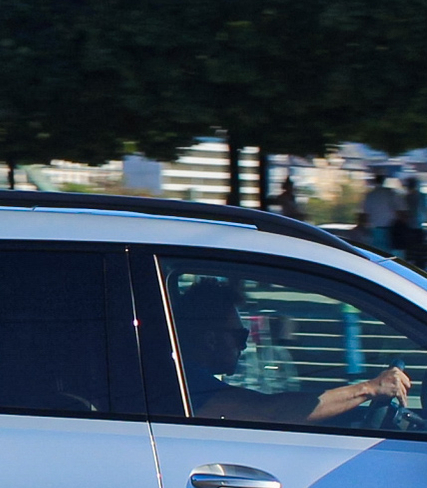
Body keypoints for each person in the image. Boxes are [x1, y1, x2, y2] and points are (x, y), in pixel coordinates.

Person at [173, 280, 411, 425]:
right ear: (211, 340)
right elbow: (270, 411)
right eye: (239, 336)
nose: (244, 346)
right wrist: (369, 388)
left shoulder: (187, 378)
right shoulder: (189, 383)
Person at [357, 172, 399, 254]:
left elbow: (364, 213)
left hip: (374, 228)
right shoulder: (390, 193)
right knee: (389, 254)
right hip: (390, 228)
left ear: (374, 180)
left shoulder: (370, 195)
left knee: (376, 253)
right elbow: (400, 210)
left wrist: (362, 226)